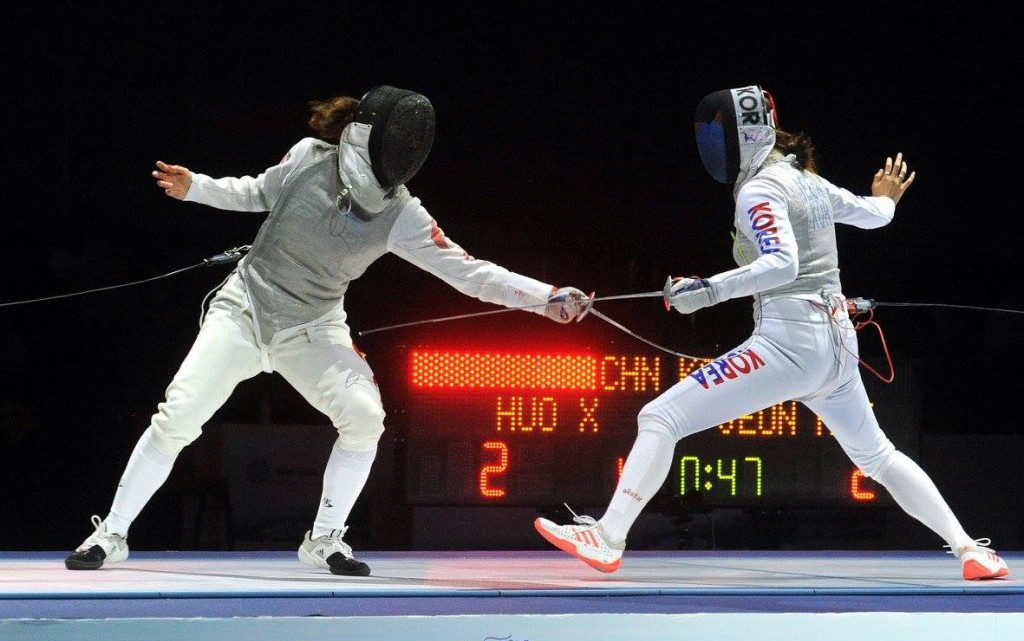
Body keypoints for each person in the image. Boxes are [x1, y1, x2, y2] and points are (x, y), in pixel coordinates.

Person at [66, 85, 592, 575]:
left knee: (365, 419)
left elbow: (470, 272)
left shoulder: (403, 213)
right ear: (367, 135)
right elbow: (257, 192)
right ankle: (111, 534)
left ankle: (324, 539)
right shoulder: (307, 156)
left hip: (314, 328)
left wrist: (546, 299)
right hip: (245, 309)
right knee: (178, 415)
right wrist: (196, 188)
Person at [534, 84, 1009, 582]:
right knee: (878, 456)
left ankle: (608, 538)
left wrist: (708, 291)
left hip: (790, 344)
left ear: (744, 137)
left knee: (660, 417)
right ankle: (969, 550)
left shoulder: (760, 189)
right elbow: (874, 217)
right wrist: (885, 200)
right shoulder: (806, 181)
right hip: (839, 346)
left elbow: (783, 263)